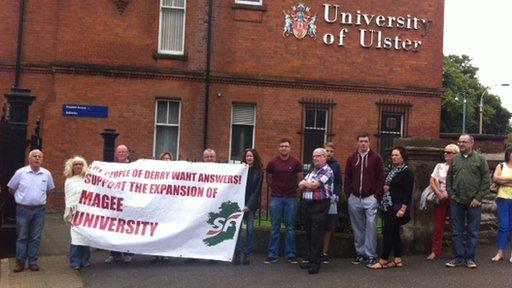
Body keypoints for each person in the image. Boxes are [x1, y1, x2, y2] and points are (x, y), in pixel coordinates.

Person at [446, 134, 490, 268]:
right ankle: (458, 257)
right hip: (457, 201)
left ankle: (470, 258)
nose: (461, 144)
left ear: (472, 143)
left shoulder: (480, 159)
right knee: (456, 231)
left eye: (464, 142)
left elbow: (486, 181)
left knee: (473, 231)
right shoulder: (455, 160)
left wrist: (478, 198)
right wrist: (452, 195)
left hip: (474, 202)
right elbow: (449, 180)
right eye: (459, 142)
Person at [8, 149, 55, 273]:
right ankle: (20, 262)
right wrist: (21, 199)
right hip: (23, 210)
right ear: (29, 159)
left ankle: (33, 262)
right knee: (22, 237)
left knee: (35, 237)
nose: (37, 158)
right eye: (34, 156)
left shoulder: (46, 174)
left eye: (40, 156)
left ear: (42, 159)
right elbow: (11, 188)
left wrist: (38, 200)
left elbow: (49, 190)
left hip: (39, 210)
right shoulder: (20, 172)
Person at [367, 147, 414, 269]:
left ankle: (383, 260)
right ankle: (398, 259)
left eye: (397, 155)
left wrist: (403, 209)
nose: (394, 157)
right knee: (394, 233)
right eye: (392, 155)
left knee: (388, 232)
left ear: (403, 157)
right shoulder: (393, 170)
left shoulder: (407, 172)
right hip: (388, 205)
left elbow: (407, 192)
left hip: (397, 206)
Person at [344, 132, 385, 265]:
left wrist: (377, 196)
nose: (363, 144)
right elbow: (347, 178)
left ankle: (371, 254)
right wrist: (348, 195)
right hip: (354, 197)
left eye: (365, 141)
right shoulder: (351, 158)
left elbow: (381, 178)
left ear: (369, 143)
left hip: (370, 198)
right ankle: (360, 253)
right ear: (357, 142)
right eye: (361, 141)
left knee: (371, 226)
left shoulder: (376, 158)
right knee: (358, 228)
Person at [264, 138, 303, 264]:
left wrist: (296, 191)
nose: (284, 148)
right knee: (274, 227)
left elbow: (300, 178)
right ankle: (272, 254)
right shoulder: (272, 163)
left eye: (286, 146)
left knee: (290, 227)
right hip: (276, 198)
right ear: (278, 148)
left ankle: (290, 254)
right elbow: (268, 178)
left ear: (290, 148)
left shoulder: (296, 162)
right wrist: (275, 189)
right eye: (281, 146)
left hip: (291, 198)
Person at [298, 148, 333, 274]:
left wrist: (306, 183)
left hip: (320, 205)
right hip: (308, 205)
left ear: (324, 157)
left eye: (318, 156)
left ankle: (316, 264)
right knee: (309, 233)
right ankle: (311, 259)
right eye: (314, 157)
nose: (315, 159)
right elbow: (300, 184)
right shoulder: (313, 170)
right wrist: (307, 183)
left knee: (317, 235)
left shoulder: (327, 170)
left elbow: (313, 185)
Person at [426, 144, 460, 260]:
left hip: (453, 198)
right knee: (438, 226)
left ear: (455, 154)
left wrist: (449, 194)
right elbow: (432, 180)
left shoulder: (459, 167)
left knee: (454, 226)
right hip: (440, 198)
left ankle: (457, 252)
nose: (445, 154)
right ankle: (435, 251)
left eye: (449, 152)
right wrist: (438, 193)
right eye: (445, 152)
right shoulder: (439, 166)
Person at [105, 144, 135, 264]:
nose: (121, 154)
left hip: (128, 203)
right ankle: (115, 253)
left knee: (128, 228)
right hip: (115, 203)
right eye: (119, 152)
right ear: (116, 154)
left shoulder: (134, 167)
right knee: (113, 228)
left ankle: (128, 253)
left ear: (128, 154)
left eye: (124, 152)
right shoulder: (111, 167)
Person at [233, 148, 263, 265]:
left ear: (254, 157)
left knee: (250, 230)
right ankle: (238, 253)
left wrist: (249, 205)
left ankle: (247, 254)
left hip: (251, 205)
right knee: (238, 230)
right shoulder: (240, 170)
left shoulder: (259, 172)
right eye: (247, 156)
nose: (249, 158)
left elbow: (257, 191)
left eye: (251, 156)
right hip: (239, 203)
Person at [63, 156, 90, 270]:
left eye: (80, 164)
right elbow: (68, 198)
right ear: (72, 167)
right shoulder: (68, 181)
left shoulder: (88, 180)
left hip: (86, 212)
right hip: (74, 213)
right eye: (75, 164)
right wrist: (69, 214)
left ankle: (85, 260)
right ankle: (75, 261)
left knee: (85, 237)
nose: (78, 166)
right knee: (75, 237)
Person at [150, 151, 174, 262]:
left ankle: (165, 253)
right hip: (157, 205)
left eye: (168, 158)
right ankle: (156, 253)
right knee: (156, 230)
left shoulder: (175, 173)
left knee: (166, 229)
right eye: (164, 158)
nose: (166, 160)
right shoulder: (156, 172)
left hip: (168, 206)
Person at [321, 142, 342, 264]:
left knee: (328, 227)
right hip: (319, 199)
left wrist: (337, 194)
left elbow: (339, 182)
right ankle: (315, 251)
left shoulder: (336, 166)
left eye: (331, 151)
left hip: (331, 199)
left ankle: (324, 253)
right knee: (318, 225)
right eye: (327, 150)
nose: (328, 153)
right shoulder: (317, 163)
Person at [491, 147, 512, 263]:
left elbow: (500, 179)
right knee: (503, 226)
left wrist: (504, 181)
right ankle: (500, 253)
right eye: (511, 153)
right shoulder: (501, 166)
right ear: (507, 154)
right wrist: (510, 181)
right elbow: (495, 178)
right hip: (503, 198)